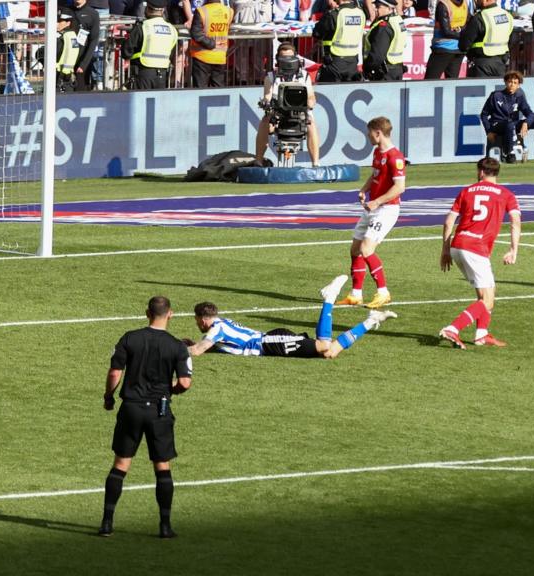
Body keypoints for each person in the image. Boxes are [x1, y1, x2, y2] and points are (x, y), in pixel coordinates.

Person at [100, 296, 192, 539]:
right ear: (170, 314)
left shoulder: (130, 338)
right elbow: (185, 382)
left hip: (131, 407)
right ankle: (164, 526)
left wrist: (108, 396)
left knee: (120, 464)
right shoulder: (177, 346)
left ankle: (107, 523)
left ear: (146, 313)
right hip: (159, 411)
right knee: (162, 467)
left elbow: (114, 372)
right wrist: (169, 390)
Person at [186, 276, 397, 359]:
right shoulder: (222, 324)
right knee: (330, 352)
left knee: (323, 345)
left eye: (197, 322)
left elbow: (197, 350)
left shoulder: (215, 329)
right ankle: (372, 320)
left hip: (268, 343)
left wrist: (171, 349)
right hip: (271, 343)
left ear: (203, 319)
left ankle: (329, 297)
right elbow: (211, 345)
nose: (198, 326)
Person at [438, 157, 520, 349]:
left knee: (487, 292)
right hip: (475, 248)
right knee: (487, 299)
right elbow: (515, 222)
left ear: (481, 172)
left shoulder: (466, 191)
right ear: (496, 173)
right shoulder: (507, 194)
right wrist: (513, 249)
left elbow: (448, 222)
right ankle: (453, 328)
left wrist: (445, 250)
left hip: (458, 245)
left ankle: (481, 334)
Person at [337, 116, 405, 309]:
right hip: (373, 207)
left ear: (378, 133)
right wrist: (364, 189)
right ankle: (355, 294)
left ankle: (383, 292)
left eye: (369, 134)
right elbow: (375, 175)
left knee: (367, 249)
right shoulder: (377, 152)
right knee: (355, 249)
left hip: (387, 209)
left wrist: (377, 201)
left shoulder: (395, 157)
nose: (368, 137)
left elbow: (400, 187)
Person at [255, 41, 321, 166]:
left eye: (290, 58)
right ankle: (258, 160)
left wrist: (310, 102)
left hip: (300, 113)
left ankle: (315, 163)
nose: (287, 61)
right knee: (265, 121)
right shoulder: (271, 77)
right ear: (278, 60)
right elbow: (267, 96)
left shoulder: (304, 76)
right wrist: (266, 102)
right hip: (278, 113)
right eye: (284, 58)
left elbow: (311, 95)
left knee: (311, 123)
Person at [480, 71, 534, 163]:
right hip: (498, 124)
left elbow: (530, 113)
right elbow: (484, 114)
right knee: (509, 124)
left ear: (518, 85)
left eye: (515, 83)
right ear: (505, 82)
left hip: (512, 125)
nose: (512, 85)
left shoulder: (519, 97)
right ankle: (510, 153)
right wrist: (488, 131)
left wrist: (526, 123)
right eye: (510, 82)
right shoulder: (496, 95)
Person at [122, 0, 179, 90]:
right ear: (163, 10)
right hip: (162, 74)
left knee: (140, 101)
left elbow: (127, 50)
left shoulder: (143, 26)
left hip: (143, 72)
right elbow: (172, 51)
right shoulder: (172, 29)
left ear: (147, 9)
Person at [312, 0, 365, 83]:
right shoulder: (360, 13)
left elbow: (317, 33)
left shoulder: (334, 13)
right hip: (353, 62)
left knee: (330, 93)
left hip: (335, 62)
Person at [458, 0, 512, 78]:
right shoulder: (507, 15)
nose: (476, 1)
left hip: (482, 63)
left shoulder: (480, 17)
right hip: (501, 62)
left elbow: (464, 45)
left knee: (479, 89)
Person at [189, 0, 234, 88]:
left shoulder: (202, 11)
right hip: (220, 57)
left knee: (199, 92)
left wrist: (212, 44)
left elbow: (196, 34)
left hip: (202, 56)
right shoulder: (229, 11)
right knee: (218, 92)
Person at [424, 0, 470, 79]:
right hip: (458, 49)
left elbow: (446, 31)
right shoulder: (464, 4)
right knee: (451, 82)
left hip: (443, 48)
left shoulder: (444, 4)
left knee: (430, 81)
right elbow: (468, 22)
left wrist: (459, 32)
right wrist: (462, 33)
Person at [363, 0, 407, 81]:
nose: (375, 9)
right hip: (397, 69)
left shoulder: (384, 26)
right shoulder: (398, 20)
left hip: (384, 73)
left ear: (389, 8)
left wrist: (367, 68)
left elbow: (377, 55)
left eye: (378, 6)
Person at [71, 0, 101, 91]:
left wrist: (83, 64)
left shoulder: (93, 14)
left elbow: (93, 40)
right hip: (65, 62)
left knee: (80, 92)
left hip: (81, 63)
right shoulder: (66, 10)